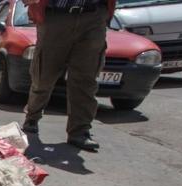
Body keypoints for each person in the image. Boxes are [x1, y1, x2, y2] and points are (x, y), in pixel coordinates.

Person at [21, 0, 116, 152]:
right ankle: (32, 116)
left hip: (93, 16)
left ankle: (80, 131)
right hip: (56, 15)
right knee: (43, 75)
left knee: (86, 78)